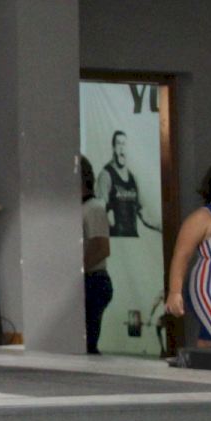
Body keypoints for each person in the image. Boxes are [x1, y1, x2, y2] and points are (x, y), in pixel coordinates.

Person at [165, 164, 211, 349]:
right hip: (207, 287)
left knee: (207, 343)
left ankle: (200, 366)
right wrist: (174, 292)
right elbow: (181, 255)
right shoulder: (202, 217)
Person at [80, 156, 113, 354]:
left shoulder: (94, 209)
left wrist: (77, 271)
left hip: (93, 281)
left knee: (86, 344)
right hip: (87, 279)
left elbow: (102, 248)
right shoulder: (81, 209)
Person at [96, 130, 147, 237]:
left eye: (124, 144)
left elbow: (143, 214)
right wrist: (107, 214)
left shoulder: (133, 179)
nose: (121, 148)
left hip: (133, 240)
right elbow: (99, 211)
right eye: (118, 143)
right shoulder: (106, 175)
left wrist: (162, 225)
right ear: (113, 148)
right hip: (115, 241)